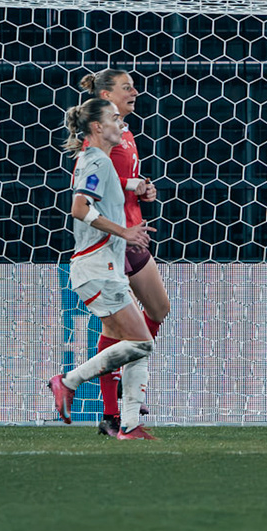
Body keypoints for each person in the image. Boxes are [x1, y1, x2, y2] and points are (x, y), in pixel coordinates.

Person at [48, 99, 158, 439]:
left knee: (138, 343)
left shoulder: (101, 161)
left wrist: (135, 188)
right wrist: (125, 232)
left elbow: (99, 195)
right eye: (113, 119)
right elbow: (79, 208)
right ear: (97, 127)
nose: (120, 124)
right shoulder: (96, 159)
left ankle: (129, 425)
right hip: (96, 266)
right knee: (141, 343)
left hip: (106, 266)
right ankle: (68, 381)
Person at [82, 68, 168, 437]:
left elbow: (121, 184)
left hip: (134, 233)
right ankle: (111, 412)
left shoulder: (126, 132)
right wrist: (131, 184)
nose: (135, 92)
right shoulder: (99, 135)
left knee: (158, 309)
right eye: (126, 87)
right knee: (117, 329)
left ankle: (121, 384)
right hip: (114, 239)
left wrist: (142, 190)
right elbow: (89, 181)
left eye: (134, 86)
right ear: (105, 95)